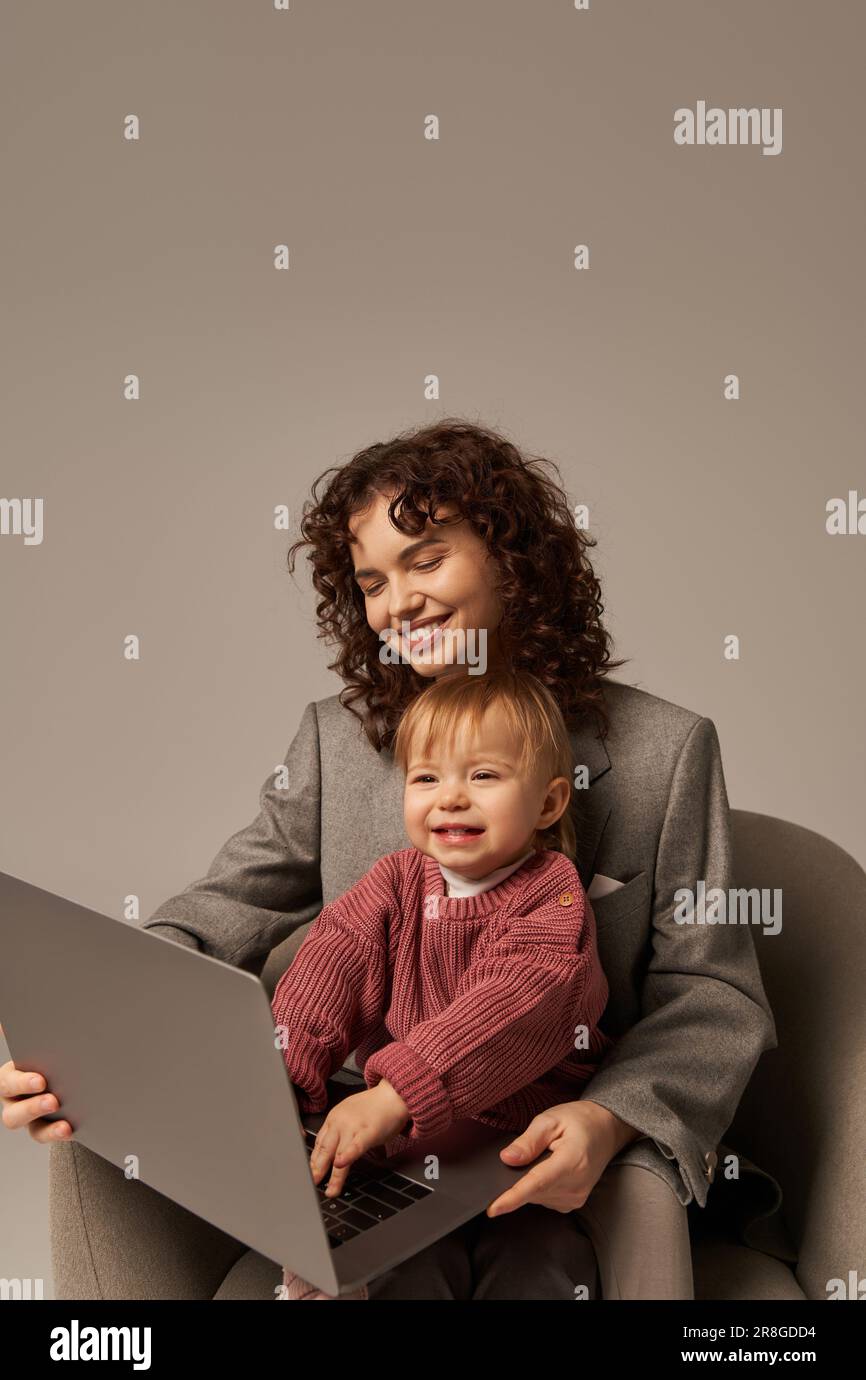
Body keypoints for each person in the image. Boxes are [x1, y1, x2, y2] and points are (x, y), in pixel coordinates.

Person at [0, 417, 780, 1299]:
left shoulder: (666, 750)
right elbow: (213, 921)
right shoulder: (336, 743)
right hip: (374, 1149)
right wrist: (97, 1038)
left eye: (426, 560)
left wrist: (606, 1121)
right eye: (372, 581)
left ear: (513, 561)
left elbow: (712, 996)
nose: (397, 602)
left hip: (561, 1150)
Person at [275, 669, 612, 1299]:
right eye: (427, 778)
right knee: (397, 1270)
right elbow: (331, 964)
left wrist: (397, 1092)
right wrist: (287, 1072)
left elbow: (515, 1000)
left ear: (548, 802)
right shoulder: (396, 881)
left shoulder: (554, 896)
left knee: (536, 1270)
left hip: (521, 1153)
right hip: (407, 1154)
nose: (450, 797)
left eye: (483, 776)